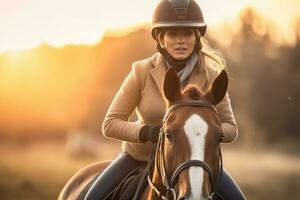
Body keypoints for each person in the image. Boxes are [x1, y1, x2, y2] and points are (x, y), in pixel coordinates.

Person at [85, 0, 246, 199]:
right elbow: (110, 124)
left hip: (195, 162)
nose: (181, 41)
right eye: (172, 34)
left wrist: (209, 130)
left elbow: (231, 128)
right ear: (161, 39)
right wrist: (146, 132)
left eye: (187, 34)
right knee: (92, 197)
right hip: (138, 157)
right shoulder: (141, 71)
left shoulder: (212, 75)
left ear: (196, 38)